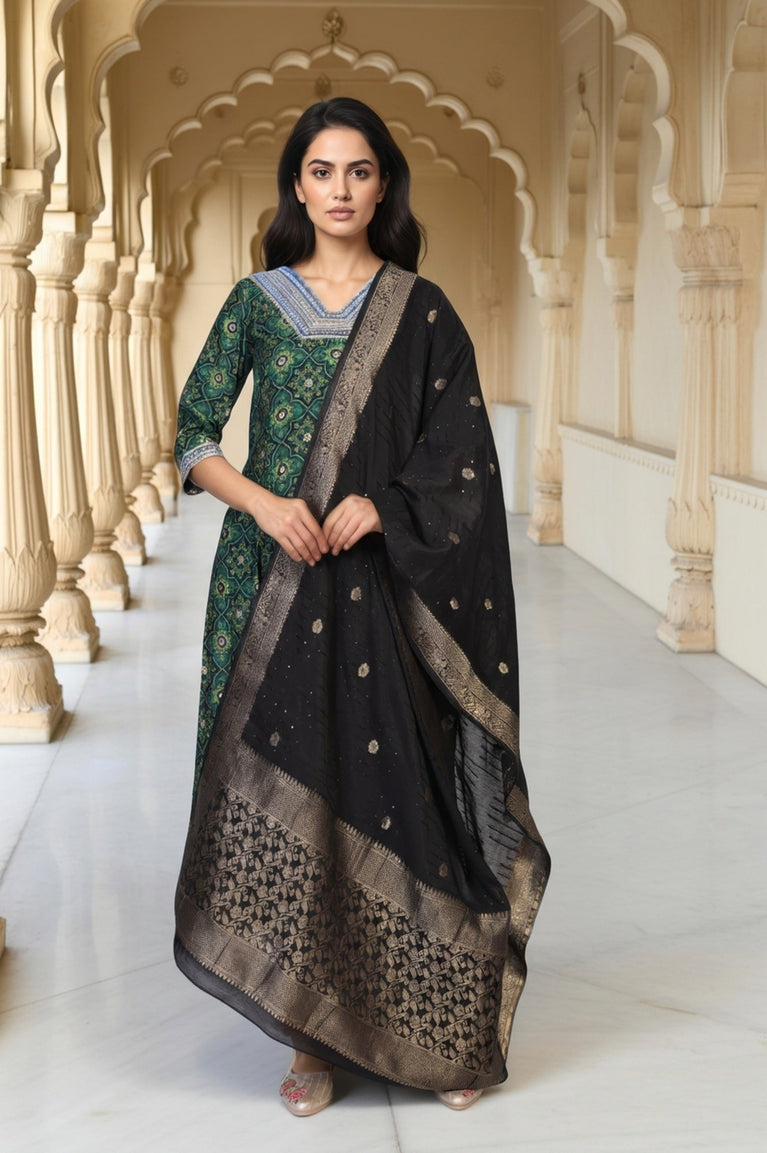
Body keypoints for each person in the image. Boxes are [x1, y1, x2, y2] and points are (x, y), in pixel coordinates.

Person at [173, 96, 549, 1118]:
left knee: (402, 796)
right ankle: (308, 1039)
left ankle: (439, 1027)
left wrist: (383, 504)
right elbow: (192, 433)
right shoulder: (256, 302)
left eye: (359, 171)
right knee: (286, 784)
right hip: (268, 582)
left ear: (383, 187)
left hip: (384, 589)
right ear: (296, 187)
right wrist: (265, 505)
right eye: (321, 171)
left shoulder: (419, 311)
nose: (340, 189)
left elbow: (462, 459)